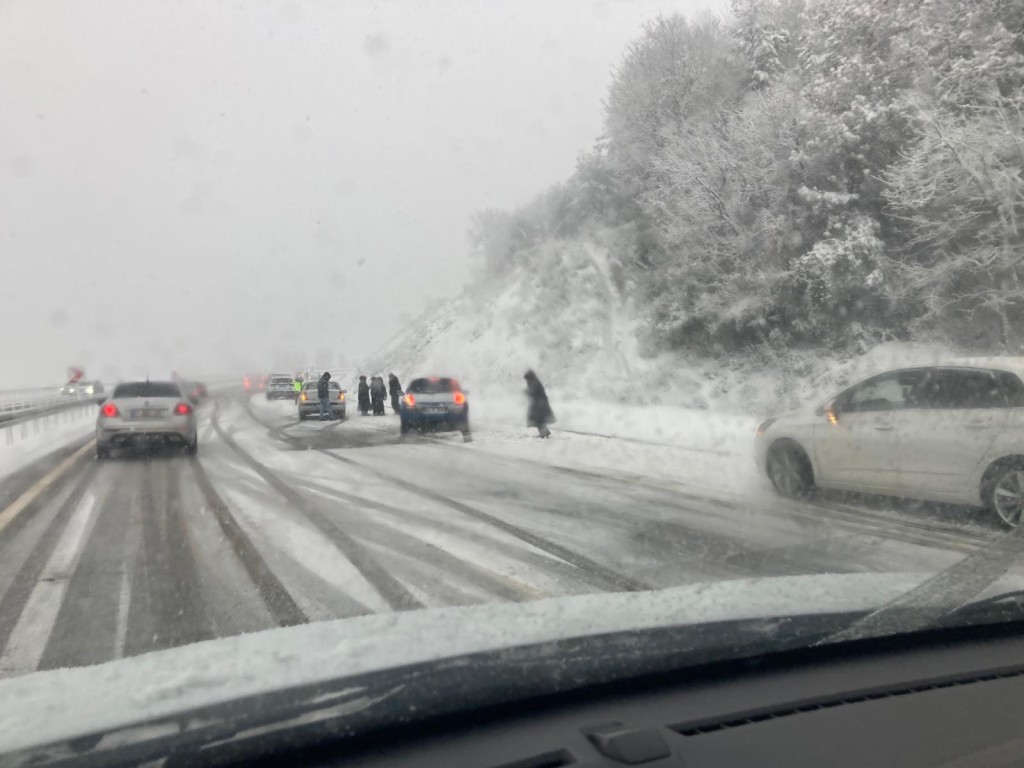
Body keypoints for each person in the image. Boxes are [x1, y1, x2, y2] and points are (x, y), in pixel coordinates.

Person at [524, 369, 554, 438]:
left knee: (539, 420)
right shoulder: (535, 382)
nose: (526, 381)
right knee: (540, 420)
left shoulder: (535, 383)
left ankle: (544, 433)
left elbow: (533, 392)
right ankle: (545, 432)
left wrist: (527, 392)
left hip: (539, 405)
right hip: (539, 404)